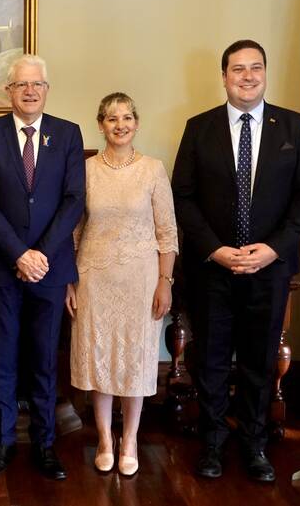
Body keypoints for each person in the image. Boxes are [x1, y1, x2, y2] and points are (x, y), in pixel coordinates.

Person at [171, 39, 300, 482]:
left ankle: (255, 444)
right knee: (212, 359)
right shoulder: (199, 128)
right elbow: (183, 196)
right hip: (212, 268)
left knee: (259, 361)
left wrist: (273, 248)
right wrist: (214, 248)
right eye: (238, 69)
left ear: (265, 73)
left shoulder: (292, 127)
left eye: (256, 67)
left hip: (270, 269)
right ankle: (213, 442)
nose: (248, 76)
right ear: (224, 76)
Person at [0, 54, 85, 480]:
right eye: (22, 85)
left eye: (37, 84)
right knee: (3, 359)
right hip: (4, 267)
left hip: (51, 270)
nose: (30, 91)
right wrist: (20, 254)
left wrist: (40, 255)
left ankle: (45, 444)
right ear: (9, 91)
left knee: (43, 359)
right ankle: (2, 443)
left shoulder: (68, 134)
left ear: (47, 89)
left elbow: (74, 200)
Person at [66, 92, 178, 476]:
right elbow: (74, 231)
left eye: (127, 117)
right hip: (93, 277)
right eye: (112, 118)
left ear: (136, 122)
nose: (120, 125)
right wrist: (70, 281)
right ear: (101, 124)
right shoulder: (85, 170)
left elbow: (167, 232)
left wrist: (165, 281)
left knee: (134, 360)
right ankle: (103, 437)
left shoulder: (153, 169)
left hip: (141, 281)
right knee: (99, 359)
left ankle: (129, 438)